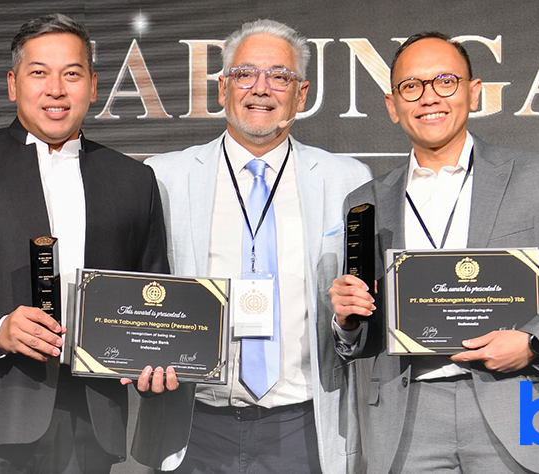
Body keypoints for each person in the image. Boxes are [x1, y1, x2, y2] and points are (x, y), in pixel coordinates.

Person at [329, 32, 539, 473]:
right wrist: (347, 320)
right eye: (411, 86)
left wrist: (534, 342)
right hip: (407, 416)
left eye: (445, 81)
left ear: (473, 93)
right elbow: (365, 329)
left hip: (519, 398)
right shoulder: (366, 202)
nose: (429, 97)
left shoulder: (538, 175)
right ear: (392, 106)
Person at [0, 13, 174, 474]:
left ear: (93, 86)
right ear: (13, 84)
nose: (56, 89)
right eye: (39, 72)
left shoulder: (133, 179)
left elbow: (153, 294)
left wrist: (153, 357)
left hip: (91, 424)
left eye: (72, 74)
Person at [133, 19, 372, 474]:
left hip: (305, 427)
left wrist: (349, 319)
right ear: (223, 88)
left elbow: (360, 315)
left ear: (301, 94)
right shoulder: (164, 176)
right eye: (245, 74)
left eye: (280, 76)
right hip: (193, 426)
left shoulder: (347, 179)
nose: (261, 88)